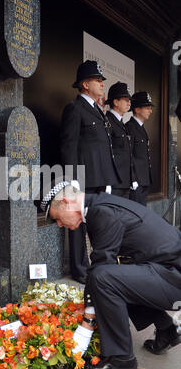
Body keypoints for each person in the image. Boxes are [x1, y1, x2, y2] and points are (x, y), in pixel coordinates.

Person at [36, 180, 181, 369]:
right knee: (117, 274)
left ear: (67, 202)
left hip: (174, 277)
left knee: (105, 278)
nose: (60, 224)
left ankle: (121, 359)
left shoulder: (101, 213)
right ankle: (167, 330)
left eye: (56, 219)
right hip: (169, 272)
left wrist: (86, 326)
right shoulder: (99, 205)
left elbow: (100, 270)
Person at [60, 61, 121, 284]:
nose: (102, 84)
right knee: (77, 225)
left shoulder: (98, 111)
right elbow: (69, 146)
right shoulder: (75, 109)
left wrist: (108, 179)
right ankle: (79, 270)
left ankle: (98, 265)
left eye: (102, 80)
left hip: (99, 178)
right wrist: (72, 181)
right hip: (83, 178)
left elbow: (102, 149)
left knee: (99, 223)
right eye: (98, 80)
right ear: (85, 84)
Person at [105, 82, 138, 199]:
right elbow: (106, 154)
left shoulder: (121, 124)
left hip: (124, 183)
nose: (129, 103)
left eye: (129, 100)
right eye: (126, 99)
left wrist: (132, 178)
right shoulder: (107, 121)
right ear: (115, 102)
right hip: (114, 184)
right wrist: (107, 181)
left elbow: (127, 154)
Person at [126, 91, 153, 206]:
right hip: (136, 182)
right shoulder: (129, 128)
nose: (150, 111)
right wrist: (133, 180)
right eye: (147, 108)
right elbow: (129, 156)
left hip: (143, 180)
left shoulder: (141, 128)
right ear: (137, 109)